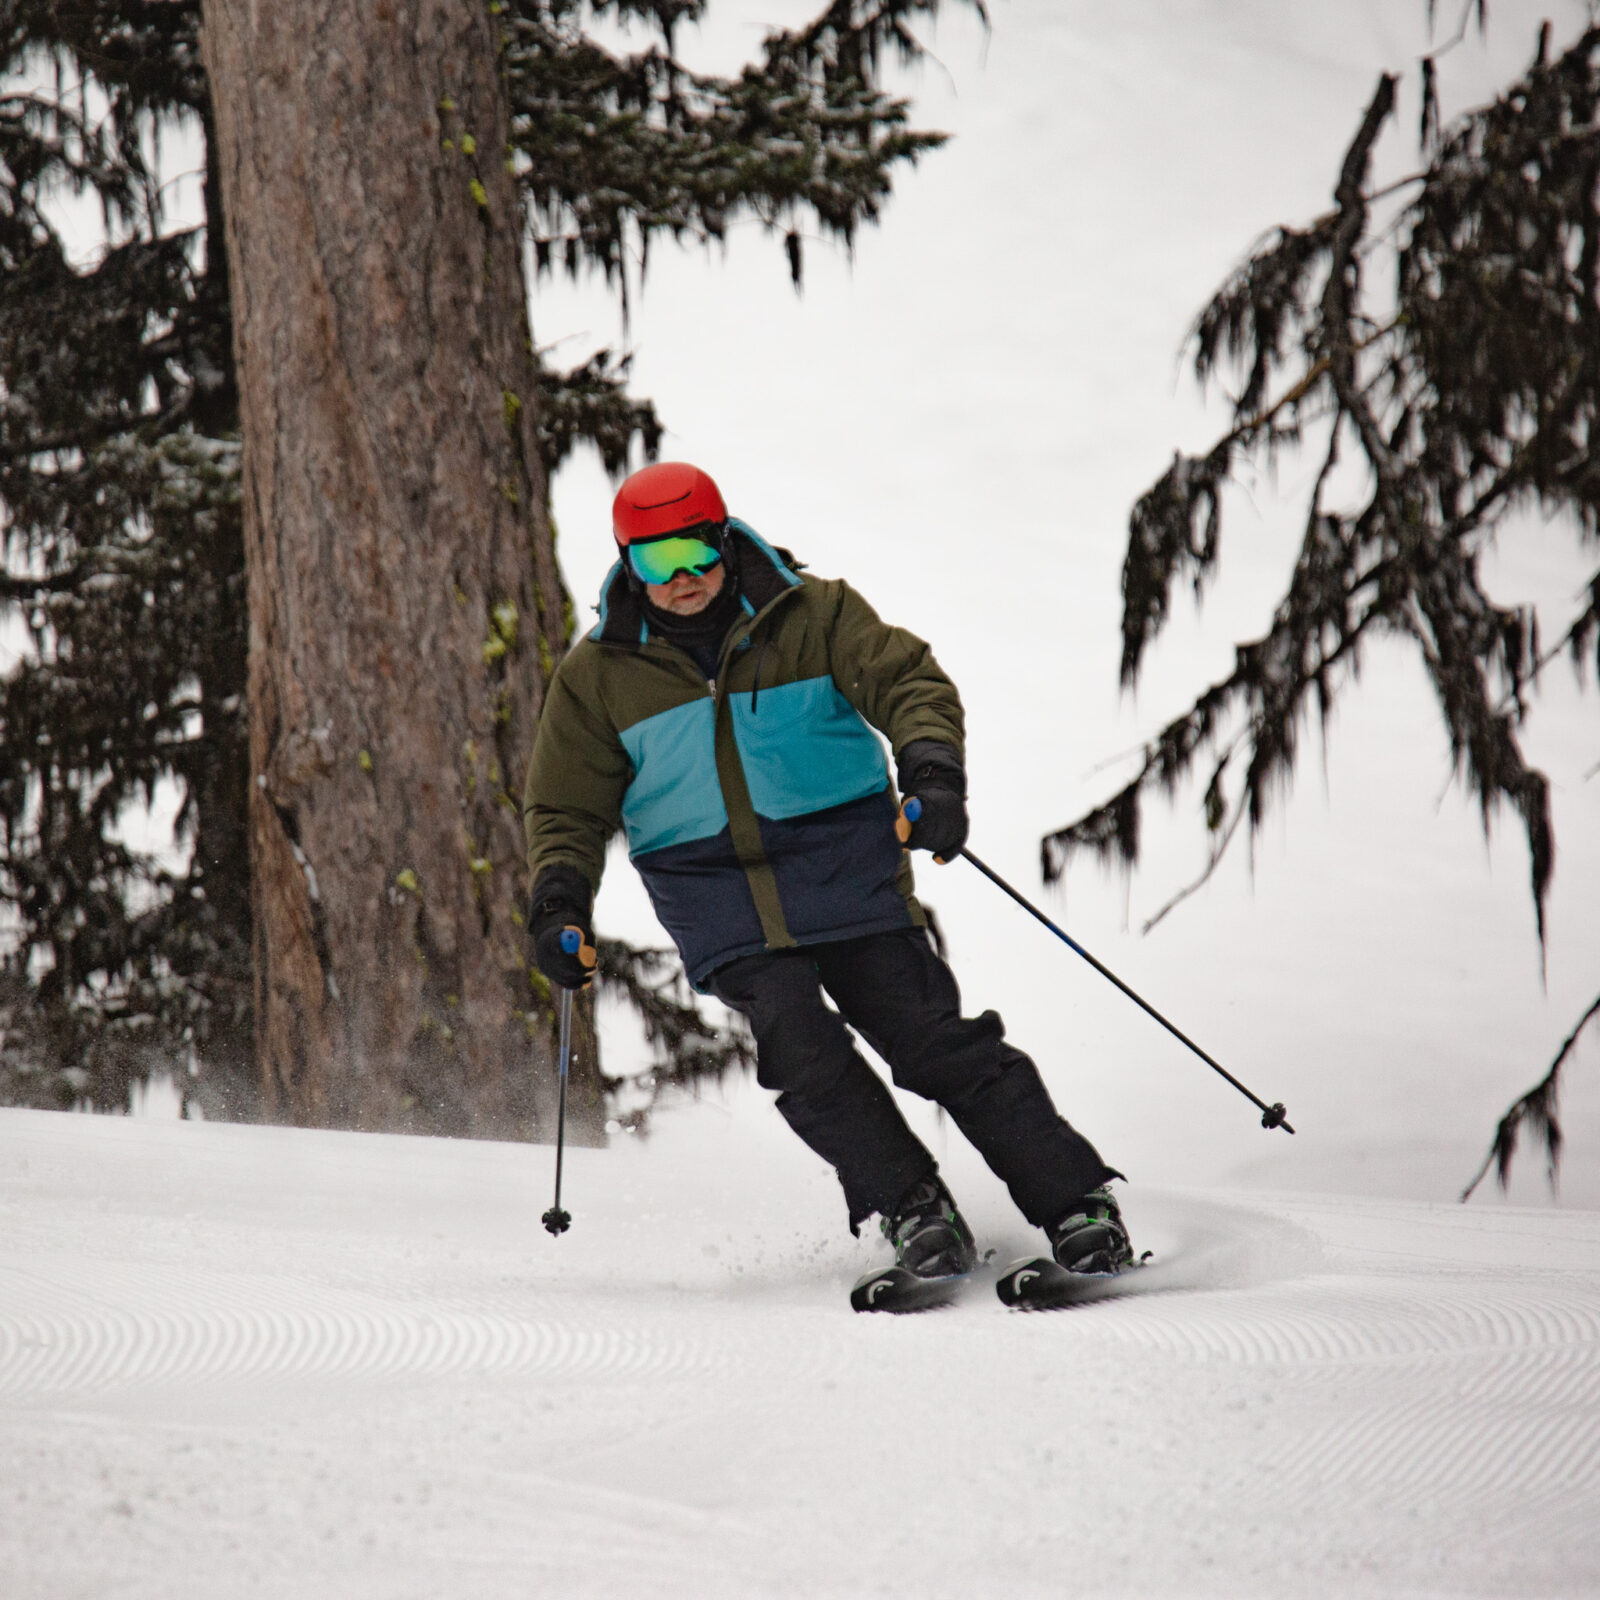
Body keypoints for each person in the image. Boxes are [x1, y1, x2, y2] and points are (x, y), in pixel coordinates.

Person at [522, 461, 1132, 1281]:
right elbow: (565, 806)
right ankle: (910, 1207)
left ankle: (1076, 1203)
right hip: (715, 896)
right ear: (628, 564)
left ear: (727, 540)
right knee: (799, 1047)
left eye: (699, 554)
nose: (686, 579)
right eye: (659, 564)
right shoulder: (597, 675)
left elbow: (906, 678)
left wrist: (932, 773)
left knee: (928, 1039)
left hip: (843, 868)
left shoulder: (814, 615)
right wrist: (559, 902)